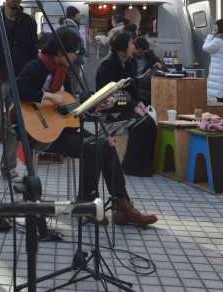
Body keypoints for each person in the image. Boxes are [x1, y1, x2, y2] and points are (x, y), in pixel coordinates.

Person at [16, 27, 158, 228]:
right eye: (73, 51)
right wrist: (48, 96)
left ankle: (121, 204)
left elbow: (70, 107)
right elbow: (18, 88)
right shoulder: (36, 66)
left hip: (62, 131)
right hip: (39, 133)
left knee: (106, 144)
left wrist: (98, 104)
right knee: (91, 148)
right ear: (59, 50)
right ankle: (87, 203)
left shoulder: (63, 73)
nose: (75, 57)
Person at [0, 0, 38, 180]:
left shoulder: (29, 23)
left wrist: (30, 77)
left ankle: (9, 167)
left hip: (18, 79)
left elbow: (33, 52)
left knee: (14, 126)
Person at [95, 30, 158, 176]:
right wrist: (134, 107)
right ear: (122, 45)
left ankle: (144, 163)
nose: (133, 47)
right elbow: (113, 93)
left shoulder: (128, 62)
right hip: (110, 109)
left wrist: (141, 102)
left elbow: (134, 86)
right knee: (139, 122)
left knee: (150, 122)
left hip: (126, 106)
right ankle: (129, 162)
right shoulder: (107, 64)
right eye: (131, 44)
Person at [129, 37, 167, 104]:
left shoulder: (149, 54)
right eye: (140, 52)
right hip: (135, 84)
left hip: (146, 83)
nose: (142, 54)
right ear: (134, 49)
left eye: (144, 52)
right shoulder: (129, 57)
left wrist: (159, 64)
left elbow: (162, 64)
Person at [59, 5, 86, 97]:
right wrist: (83, 51)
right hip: (74, 60)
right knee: (73, 80)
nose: (80, 17)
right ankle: (70, 99)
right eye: (78, 15)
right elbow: (80, 47)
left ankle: (66, 97)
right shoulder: (74, 29)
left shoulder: (62, 27)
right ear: (72, 17)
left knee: (65, 79)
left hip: (63, 59)